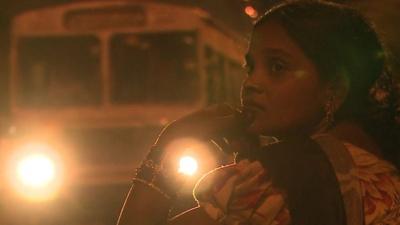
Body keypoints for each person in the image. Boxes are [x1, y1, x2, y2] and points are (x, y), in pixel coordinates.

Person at [116, 1, 400, 224]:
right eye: (250, 68)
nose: (252, 83)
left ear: (334, 89)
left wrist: (170, 142)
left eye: (277, 67)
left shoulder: (270, 182)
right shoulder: (380, 162)